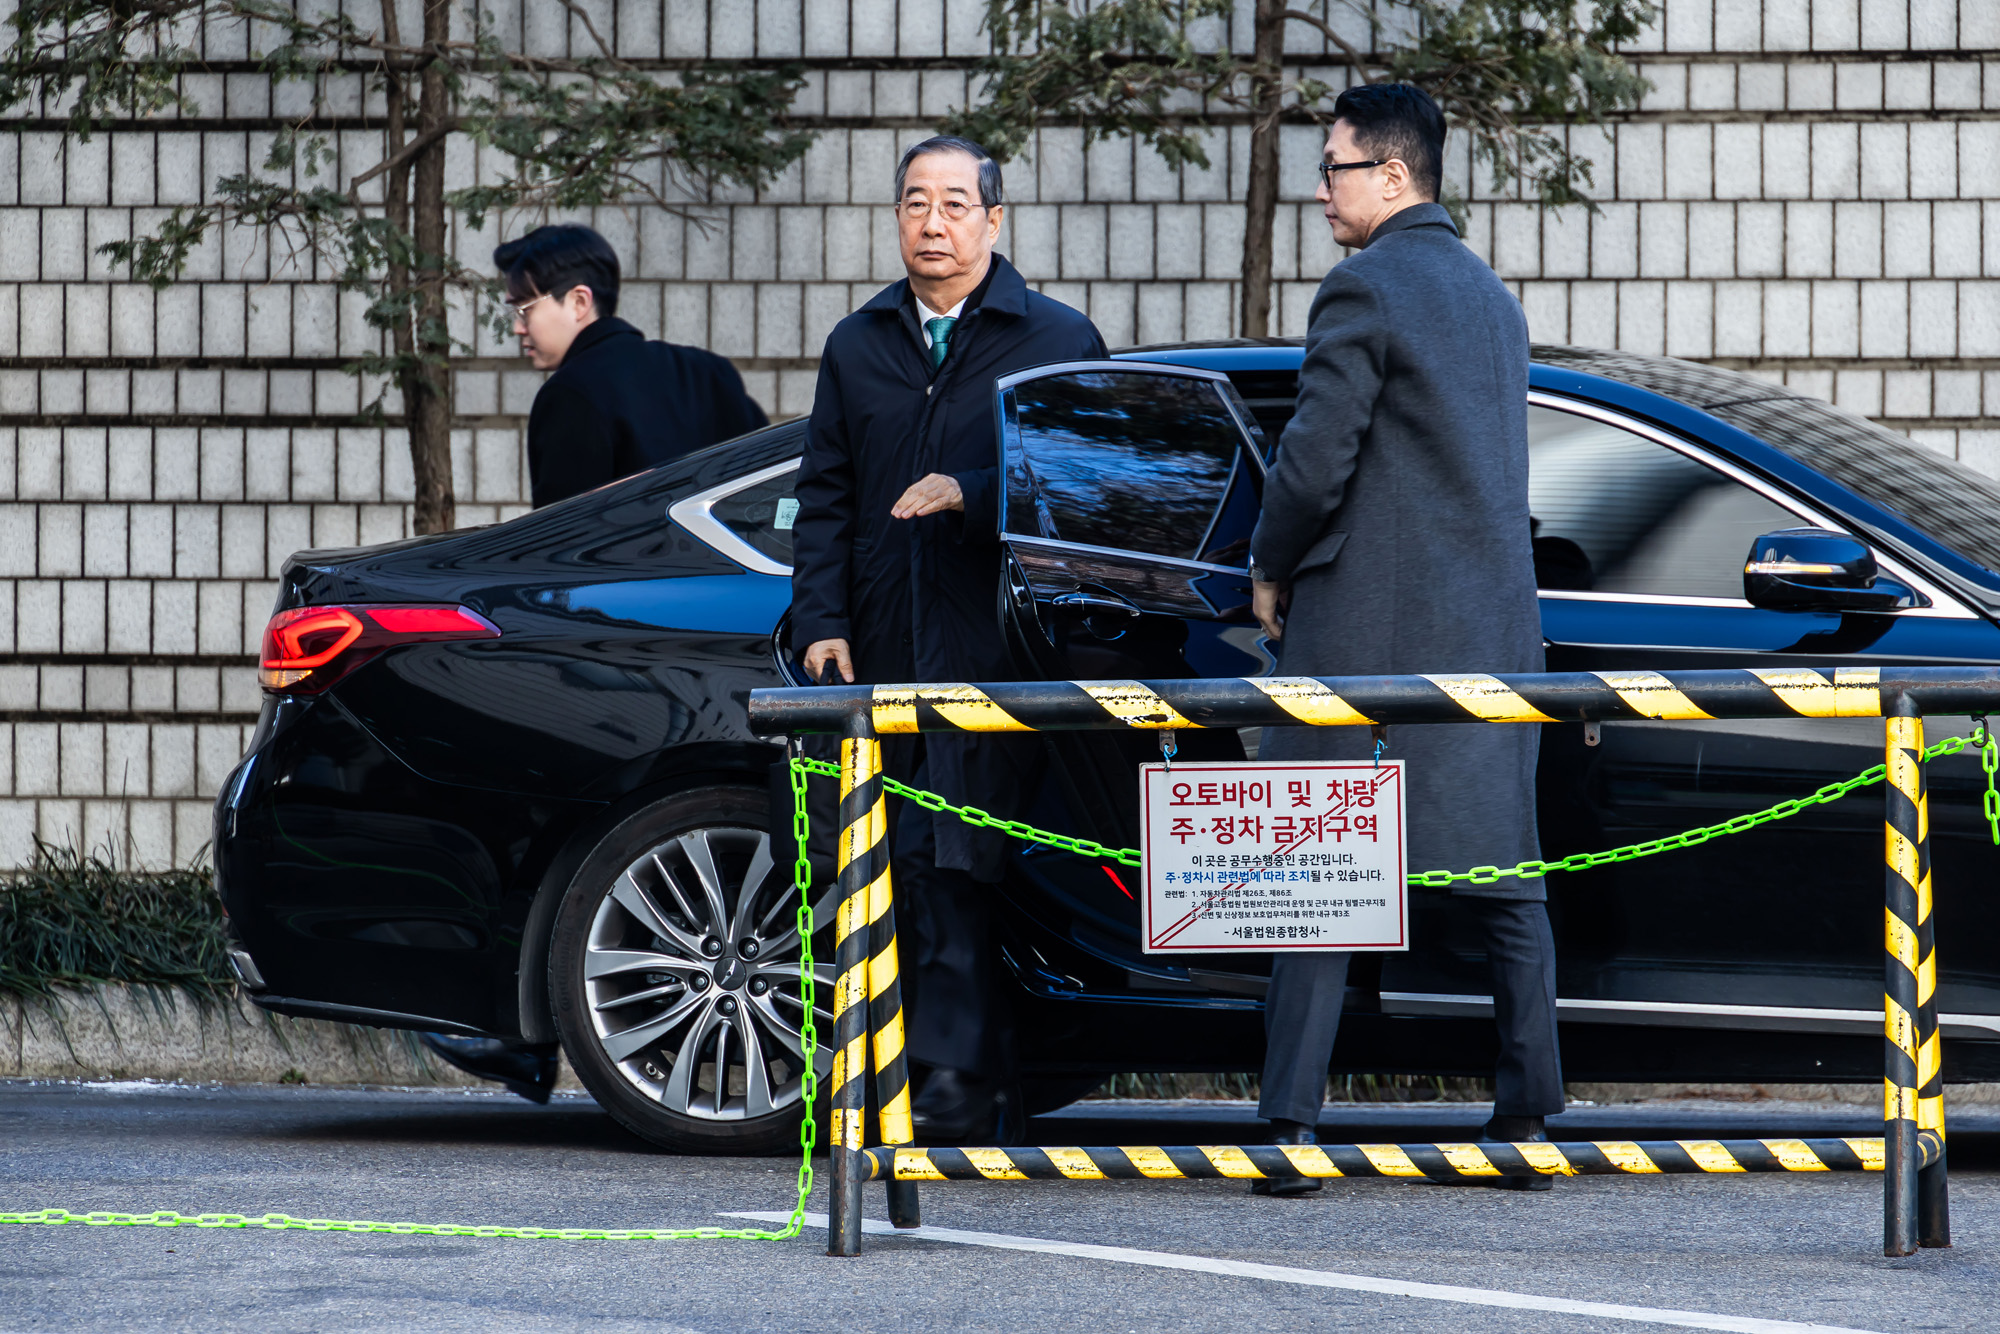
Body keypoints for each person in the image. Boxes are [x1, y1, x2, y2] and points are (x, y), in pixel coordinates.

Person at [1246, 83, 1562, 1193]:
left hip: (1368, 627)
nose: (1318, 189)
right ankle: (1526, 1108)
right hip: (1491, 626)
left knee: (1320, 864)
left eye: (1331, 168)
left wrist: (1268, 562)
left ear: (1390, 176)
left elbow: (1314, 458)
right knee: (1505, 872)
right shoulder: (1491, 299)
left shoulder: (1362, 288)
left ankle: (1287, 1123)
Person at [790, 136, 1106, 1140]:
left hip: (1008, 652)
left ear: (994, 221)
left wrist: (972, 495)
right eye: (916, 203)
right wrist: (823, 621)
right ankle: (950, 1085)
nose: (934, 222)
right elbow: (825, 498)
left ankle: (967, 1082)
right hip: (884, 645)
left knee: (978, 865)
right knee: (909, 864)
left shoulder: (1053, 337)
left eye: (955, 204)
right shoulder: (858, 344)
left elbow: (1092, 491)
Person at [496, 224, 768, 507]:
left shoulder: (570, 393)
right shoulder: (710, 371)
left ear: (579, 301)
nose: (517, 327)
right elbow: (767, 484)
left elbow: (556, 537)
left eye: (524, 310)